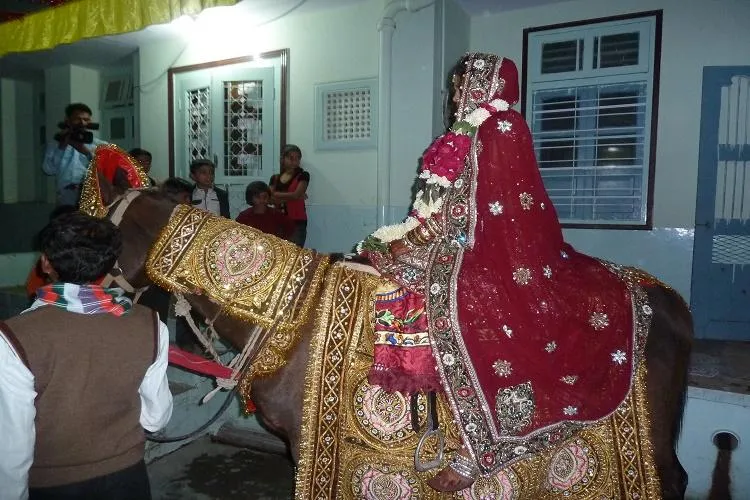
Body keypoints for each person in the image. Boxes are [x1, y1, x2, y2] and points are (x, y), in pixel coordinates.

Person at [359, 53, 637, 488]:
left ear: (488, 86)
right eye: (455, 86)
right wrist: (404, 238)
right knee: (386, 270)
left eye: (461, 84)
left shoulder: (502, 128)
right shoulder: (464, 132)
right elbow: (442, 205)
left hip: (493, 250)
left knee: (463, 299)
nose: (453, 95)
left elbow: (488, 212)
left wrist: (413, 242)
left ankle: (483, 444)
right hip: (456, 240)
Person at [0, 212, 173, 500]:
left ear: (45, 262)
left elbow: (11, 448)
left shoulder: (14, 338)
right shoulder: (150, 323)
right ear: (108, 267)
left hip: (52, 486)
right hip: (129, 478)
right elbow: (156, 417)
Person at [42, 103, 107, 207]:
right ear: (67, 120)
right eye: (78, 119)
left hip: (92, 193)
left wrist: (86, 152)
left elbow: (108, 168)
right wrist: (62, 147)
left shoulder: (100, 145)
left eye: (86, 120)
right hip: (66, 194)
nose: (82, 123)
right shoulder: (55, 144)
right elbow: (48, 170)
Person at [269, 144, 309, 246]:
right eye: (291, 158)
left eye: (297, 158)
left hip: (296, 222)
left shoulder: (303, 175)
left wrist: (276, 194)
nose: (294, 161)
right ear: (283, 159)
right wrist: (294, 197)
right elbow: (269, 199)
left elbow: (296, 195)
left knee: (294, 255)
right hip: (278, 220)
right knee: (279, 254)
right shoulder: (275, 178)